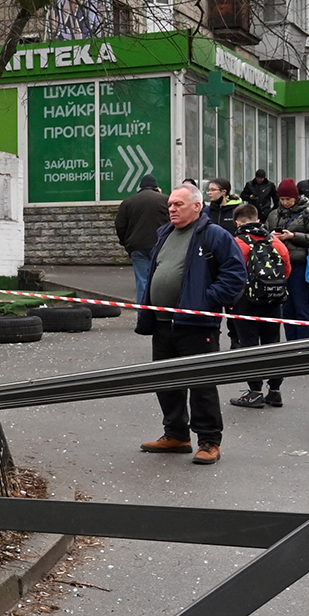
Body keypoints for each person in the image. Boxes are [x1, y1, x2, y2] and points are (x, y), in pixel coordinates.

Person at [137, 185, 246, 465]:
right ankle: (176, 434)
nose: (172, 209)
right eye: (170, 204)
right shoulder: (165, 234)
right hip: (163, 324)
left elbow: (235, 276)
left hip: (196, 325)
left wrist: (205, 301)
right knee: (165, 381)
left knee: (201, 383)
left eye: (179, 204)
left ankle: (209, 440)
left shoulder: (215, 235)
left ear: (197, 207)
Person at [227, 203, 292, 408]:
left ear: (238, 222)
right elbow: (286, 270)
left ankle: (255, 390)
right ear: (258, 219)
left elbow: (230, 272)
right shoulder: (275, 242)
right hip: (273, 299)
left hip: (246, 300)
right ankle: (275, 390)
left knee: (249, 344)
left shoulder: (237, 243)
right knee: (272, 343)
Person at [265, 178, 309, 344]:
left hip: (299, 265)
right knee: (286, 306)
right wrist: (271, 237)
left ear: (296, 197)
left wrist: (293, 236)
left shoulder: (308, 213)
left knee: (301, 304)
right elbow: (264, 235)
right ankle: (291, 342)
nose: (285, 203)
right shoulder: (273, 214)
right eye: (282, 199)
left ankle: (303, 341)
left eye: (288, 199)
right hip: (279, 266)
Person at [113, 175, 171, 303]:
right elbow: (172, 222)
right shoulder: (165, 200)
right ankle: (161, 312)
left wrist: (126, 243)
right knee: (161, 280)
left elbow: (120, 225)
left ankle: (143, 314)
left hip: (137, 247)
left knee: (142, 281)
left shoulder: (128, 202)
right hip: (161, 246)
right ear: (156, 187)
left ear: (140, 187)